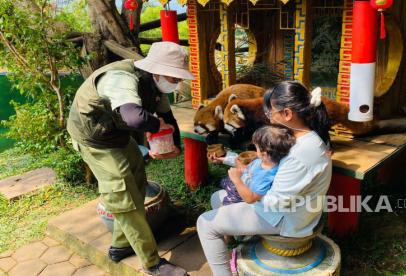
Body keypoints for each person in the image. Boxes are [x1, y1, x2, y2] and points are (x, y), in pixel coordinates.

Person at [67, 42, 193, 276]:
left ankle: (122, 245)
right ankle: (152, 264)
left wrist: (175, 145)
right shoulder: (120, 79)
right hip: (95, 140)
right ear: (157, 71)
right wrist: (156, 126)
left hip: (116, 135)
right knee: (123, 195)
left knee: (137, 177)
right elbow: (134, 118)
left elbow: (167, 116)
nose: (177, 83)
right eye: (174, 78)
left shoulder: (155, 85)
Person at [197, 81, 333, 276]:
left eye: (270, 113)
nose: (268, 117)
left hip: (288, 219)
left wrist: (241, 182)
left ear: (287, 114)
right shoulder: (298, 137)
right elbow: (266, 165)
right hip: (289, 209)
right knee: (217, 198)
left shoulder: (301, 153)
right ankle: (240, 244)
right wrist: (238, 165)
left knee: (205, 223)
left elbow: (272, 201)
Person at [217, 125, 295, 205]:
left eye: (256, 147)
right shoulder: (263, 161)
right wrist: (222, 159)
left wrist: (236, 179)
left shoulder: (265, 176)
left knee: (226, 202)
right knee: (224, 181)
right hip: (243, 180)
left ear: (264, 154)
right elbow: (245, 167)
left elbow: (251, 198)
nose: (255, 150)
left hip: (242, 193)